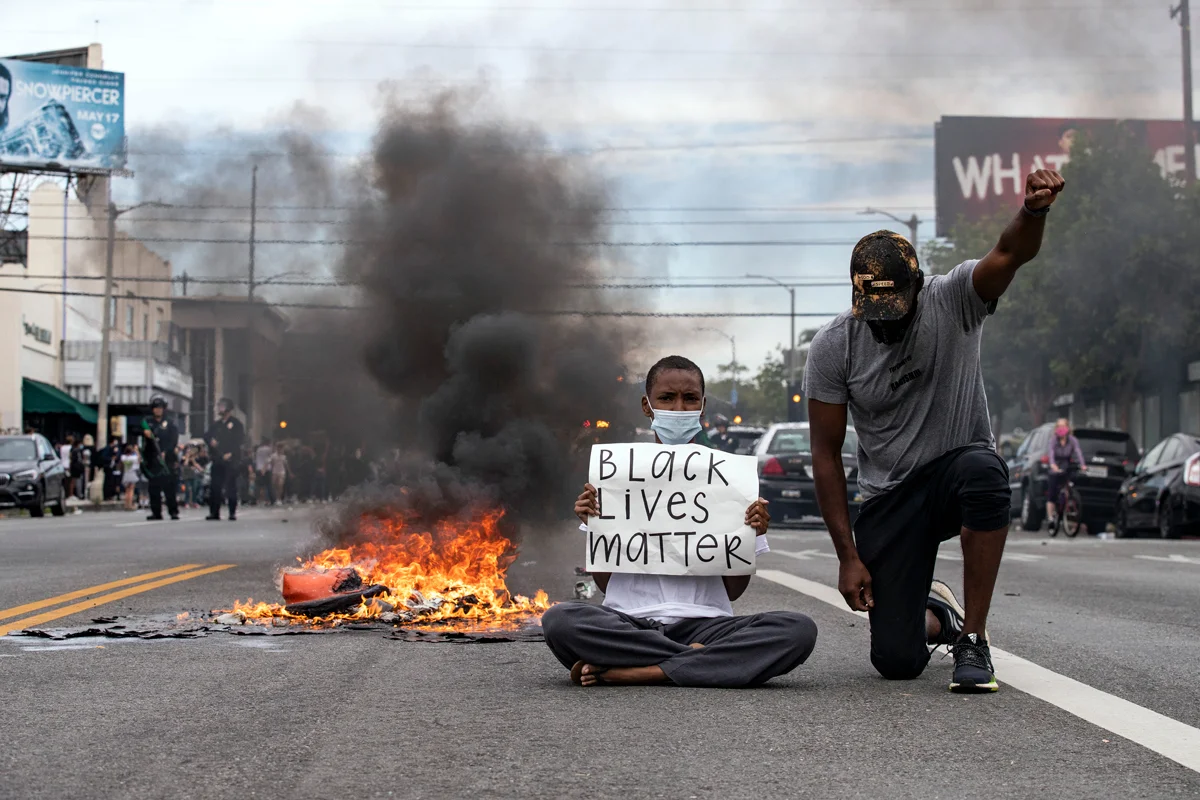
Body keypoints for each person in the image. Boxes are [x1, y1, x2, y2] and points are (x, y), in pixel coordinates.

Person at [804, 169, 1066, 694]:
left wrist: (1033, 211)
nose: (885, 325)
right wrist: (847, 557)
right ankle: (939, 616)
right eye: (874, 313)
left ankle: (974, 638)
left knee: (984, 470)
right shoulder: (833, 346)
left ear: (918, 286)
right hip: (890, 498)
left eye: (894, 313)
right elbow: (826, 455)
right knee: (897, 661)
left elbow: (1009, 253)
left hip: (954, 471)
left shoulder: (954, 299)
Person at [540, 355, 818, 688]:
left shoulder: (729, 479)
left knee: (798, 630)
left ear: (702, 406)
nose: (679, 408)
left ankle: (640, 670)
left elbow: (733, 591)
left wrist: (750, 531)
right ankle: (698, 661)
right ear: (647, 405)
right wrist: (596, 522)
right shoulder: (618, 476)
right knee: (559, 621)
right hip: (629, 623)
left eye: (690, 398)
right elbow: (604, 584)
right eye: (667, 398)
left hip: (705, 624)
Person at [204, 398, 245, 521]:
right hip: (217, 459)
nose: (220, 409)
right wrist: (211, 442)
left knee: (231, 487)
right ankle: (214, 512)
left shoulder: (236, 424)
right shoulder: (216, 425)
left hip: (231, 460)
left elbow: (239, 440)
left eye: (222, 406)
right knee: (215, 487)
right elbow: (207, 436)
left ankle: (232, 512)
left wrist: (231, 453)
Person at [142, 396, 181, 521]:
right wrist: (145, 433)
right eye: (155, 408)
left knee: (169, 488)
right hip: (153, 460)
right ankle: (156, 512)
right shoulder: (148, 422)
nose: (158, 410)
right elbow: (139, 431)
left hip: (167, 460)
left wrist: (166, 452)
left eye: (160, 408)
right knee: (154, 488)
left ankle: (173, 511)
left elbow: (173, 440)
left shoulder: (170, 423)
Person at [1045, 418, 1084, 529]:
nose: (1061, 429)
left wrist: (1083, 464)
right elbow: (1051, 453)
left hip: (1067, 465)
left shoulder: (1072, 440)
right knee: (1052, 493)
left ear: (1068, 427)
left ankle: (1067, 503)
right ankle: (1051, 518)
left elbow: (1078, 452)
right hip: (1055, 466)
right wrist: (1053, 465)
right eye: (1059, 426)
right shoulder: (1053, 440)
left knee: (1069, 485)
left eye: (1063, 426)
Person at [120, 443, 140, 511]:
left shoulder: (123, 457)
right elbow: (138, 459)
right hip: (132, 473)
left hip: (126, 473)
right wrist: (136, 450)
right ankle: (130, 504)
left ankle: (126, 504)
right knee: (131, 490)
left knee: (127, 490)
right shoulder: (133, 458)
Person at [254, 439, 274, 505]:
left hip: (258, 468)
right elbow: (269, 459)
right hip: (266, 469)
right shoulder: (268, 449)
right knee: (268, 485)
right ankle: (268, 500)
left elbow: (257, 459)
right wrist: (264, 468)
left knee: (258, 485)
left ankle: (256, 499)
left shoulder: (258, 449)